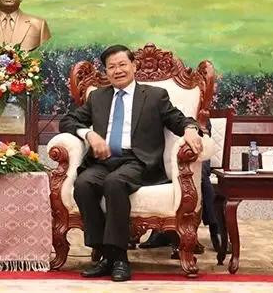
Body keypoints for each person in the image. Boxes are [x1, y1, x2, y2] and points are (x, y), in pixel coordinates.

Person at [59, 44, 204, 282]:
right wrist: (89, 134)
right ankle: (105, 255)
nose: (117, 71)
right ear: (106, 72)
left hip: (138, 161)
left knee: (115, 183)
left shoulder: (155, 96)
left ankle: (120, 259)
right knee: (83, 184)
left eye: (122, 65)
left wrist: (190, 129)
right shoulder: (98, 97)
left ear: (134, 66)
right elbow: (68, 121)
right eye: (111, 67)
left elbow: (177, 119)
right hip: (104, 160)